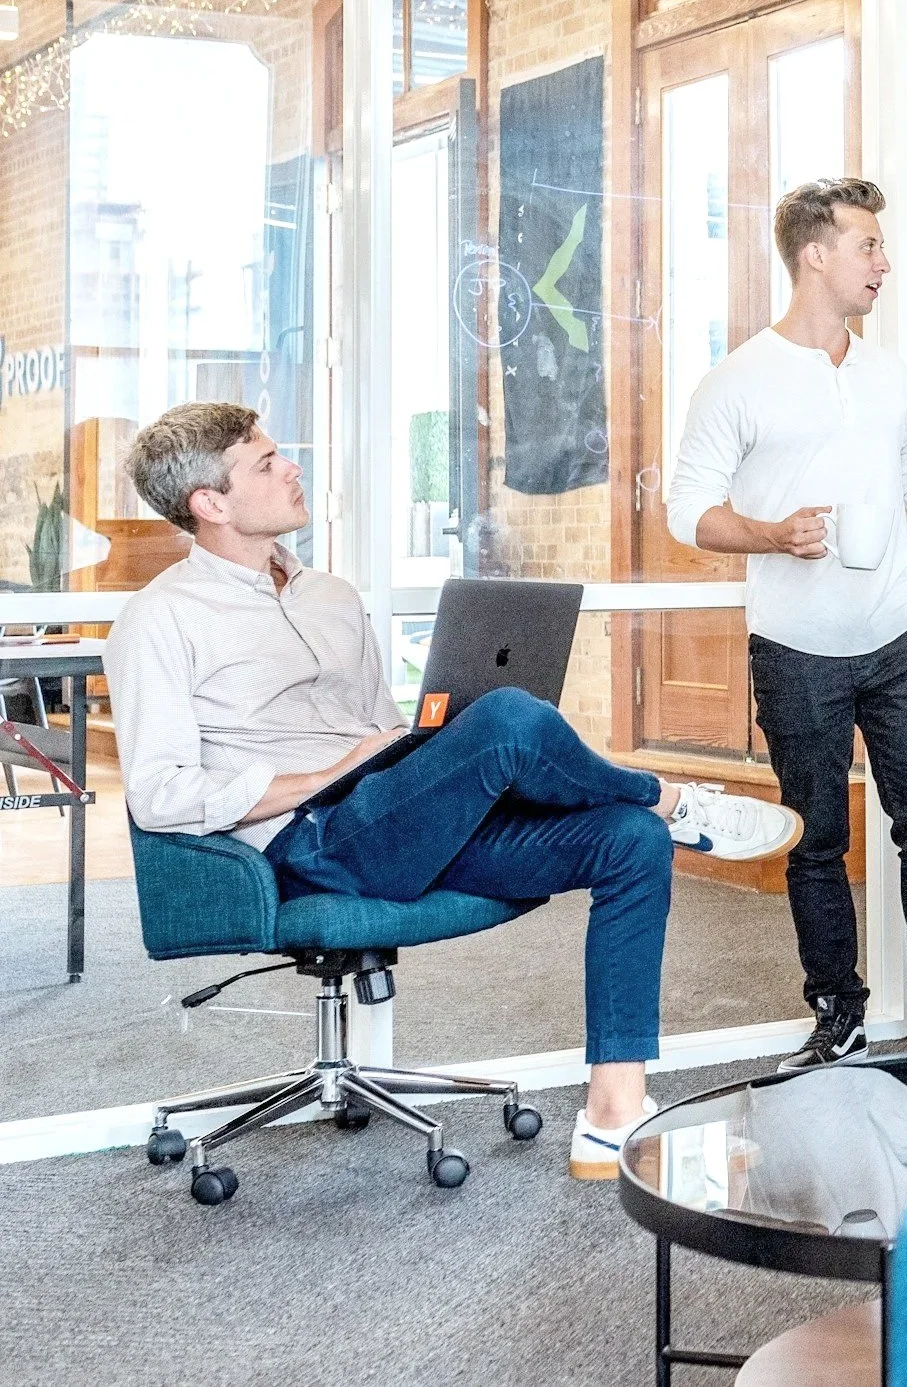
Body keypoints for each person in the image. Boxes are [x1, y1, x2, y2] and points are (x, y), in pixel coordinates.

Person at [106, 403, 799, 1182]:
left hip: (393, 818)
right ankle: (669, 800)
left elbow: (381, 730)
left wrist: (416, 749)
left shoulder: (330, 595)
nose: (292, 467)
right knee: (507, 721)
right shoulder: (159, 619)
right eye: (266, 463)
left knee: (624, 841)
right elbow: (160, 794)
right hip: (311, 842)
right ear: (211, 502)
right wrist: (325, 775)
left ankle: (612, 1113)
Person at [667, 177, 907, 1066]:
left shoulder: (885, 375)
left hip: (897, 639)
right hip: (797, 650)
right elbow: (687, 511)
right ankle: (837, 1007)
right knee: (816, 834)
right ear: (817, 253)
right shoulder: (738, 379)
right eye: (868, 245)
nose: (883, 263)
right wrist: (772, 532)